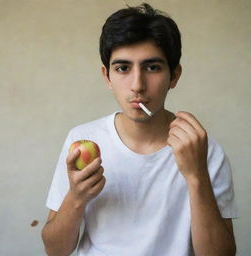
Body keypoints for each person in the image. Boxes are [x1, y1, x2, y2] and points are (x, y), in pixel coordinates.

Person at [42, 3, 237, 256]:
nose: (137, 85)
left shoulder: (203, 149)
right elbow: (55, 251)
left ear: (174, 76)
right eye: (123, 68)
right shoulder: (82, 139)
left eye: (152, 67)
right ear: (107, 76)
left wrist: (196, 176)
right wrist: (76, 198)